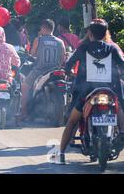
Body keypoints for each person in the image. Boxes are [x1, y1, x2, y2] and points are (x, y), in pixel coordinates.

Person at [52, 19, 124, 164]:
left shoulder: (83, 48)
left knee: (72, 122)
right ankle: (121, 132)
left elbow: (68, 64)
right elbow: (122, 65)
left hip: (87, 93)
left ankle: (61, 153)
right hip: (110, 91)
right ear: (105, 34)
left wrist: (69, 71)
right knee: (121, 109)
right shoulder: (112, 48)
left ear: (90, 33)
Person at [20, 19, 66, 119]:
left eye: (41, 28)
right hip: (55, 71)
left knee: (24, 86)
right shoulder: (60, 42)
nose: (40, 29)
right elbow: (63, 58)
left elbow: (32, 54)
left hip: (40, 70)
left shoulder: (39, 39)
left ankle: (23, 112)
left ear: (44, 27)